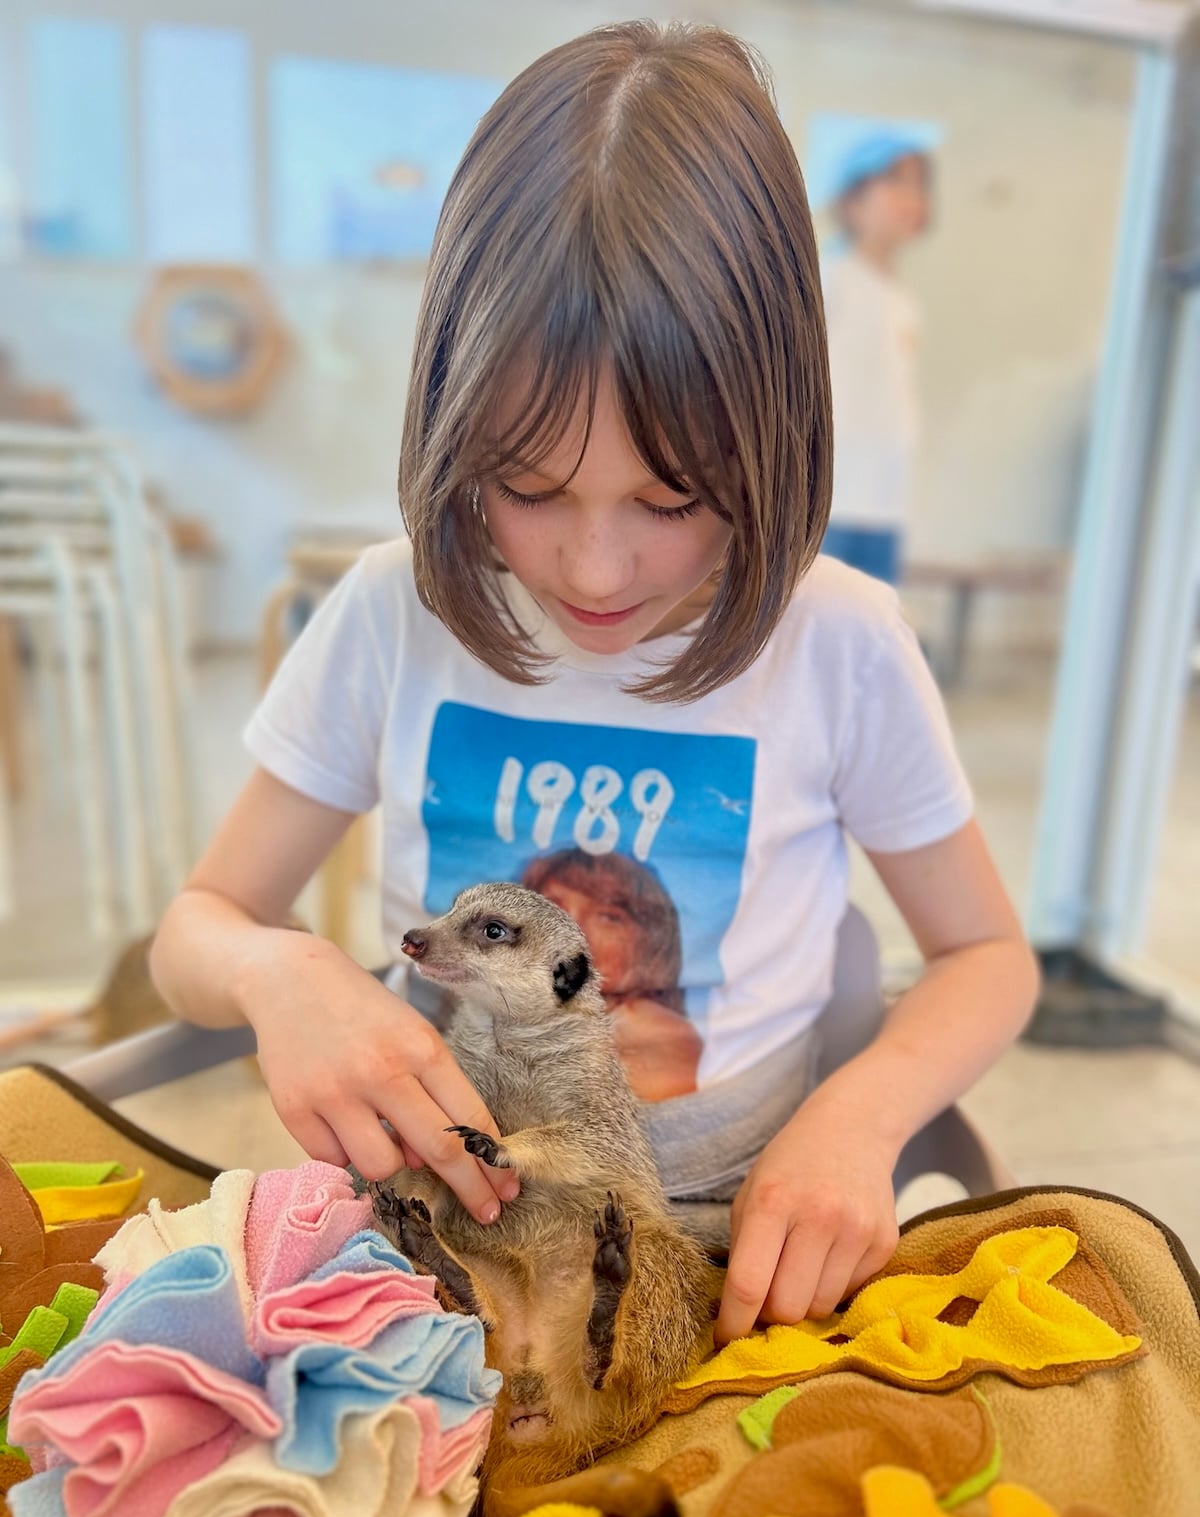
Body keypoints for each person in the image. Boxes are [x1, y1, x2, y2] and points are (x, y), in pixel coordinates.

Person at [149, 23, 1039, 1348]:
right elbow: (196, 928)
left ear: (777, 431)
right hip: (425, 1262)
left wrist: (857, 1115)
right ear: (452, 424)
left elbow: (987, 957)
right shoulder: (393, 614)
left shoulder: (840, 643)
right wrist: (279, 971)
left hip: (729, 1263)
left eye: (674, 495)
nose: (599, 564)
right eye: (530, 487)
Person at [821, 129, 933, 585]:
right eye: (895, 181)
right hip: (830, 500)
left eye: (919, 184)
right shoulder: (829, 279)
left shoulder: (903, 300)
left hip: (884, 502)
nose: (911, 197)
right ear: (853, 202)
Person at [522, 848, 702, 1102]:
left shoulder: (651, 1030)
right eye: (551, 909)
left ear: (651, 945)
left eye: (608, 917)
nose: (572, 928)